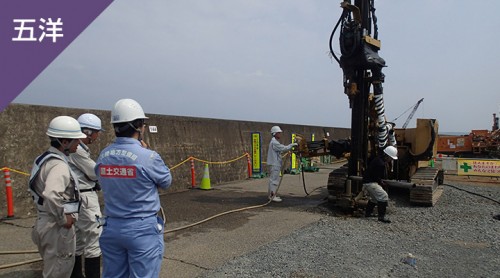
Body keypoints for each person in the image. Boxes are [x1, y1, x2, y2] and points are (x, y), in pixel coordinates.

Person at [95, 98, 172, 278]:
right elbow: (166, 181)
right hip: (142, 228)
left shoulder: (103, 155)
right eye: (143, 124)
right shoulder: (148, 157)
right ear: (138, 126)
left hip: (112, 226)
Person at [29, 116, 87, 278]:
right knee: (59, 271)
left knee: (52, 268)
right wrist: (64, 219)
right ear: (64, 141)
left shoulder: (42, 159)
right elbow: (51, 194)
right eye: (76, 141)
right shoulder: (59, 165)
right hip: (56, 227)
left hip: (43, 221)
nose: (78, 144)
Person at [69, 113, 104, 278]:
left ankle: (76, 275)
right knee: (94, 238)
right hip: (86, 198)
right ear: (88, 132)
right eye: (97, 132)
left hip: (76, 197)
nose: (97, 136)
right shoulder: (78, 151)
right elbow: (94, 172)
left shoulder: (76, 148)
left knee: (79, 239)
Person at [362, 145, 398, 223]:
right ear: (387, 156)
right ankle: (381, 217)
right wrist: (381, 182)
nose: (391, 160)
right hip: (370, 182)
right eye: (391, 158)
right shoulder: (380, 164)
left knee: (374, 198)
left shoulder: (378, 160)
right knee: (383, 196)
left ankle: (368, 213)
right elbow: (375, 176)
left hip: (367, 181)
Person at [266, 125, 297, 202]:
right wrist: (292, 145)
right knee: (274, 180)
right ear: (274, 133)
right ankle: (272, 196)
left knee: (272, 180)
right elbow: (283, 148)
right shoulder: (274, 143)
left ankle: (271, 195)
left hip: (274, 163)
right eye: (278, 133)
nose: (280, 134)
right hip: (274, 164)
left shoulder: (274, 142)